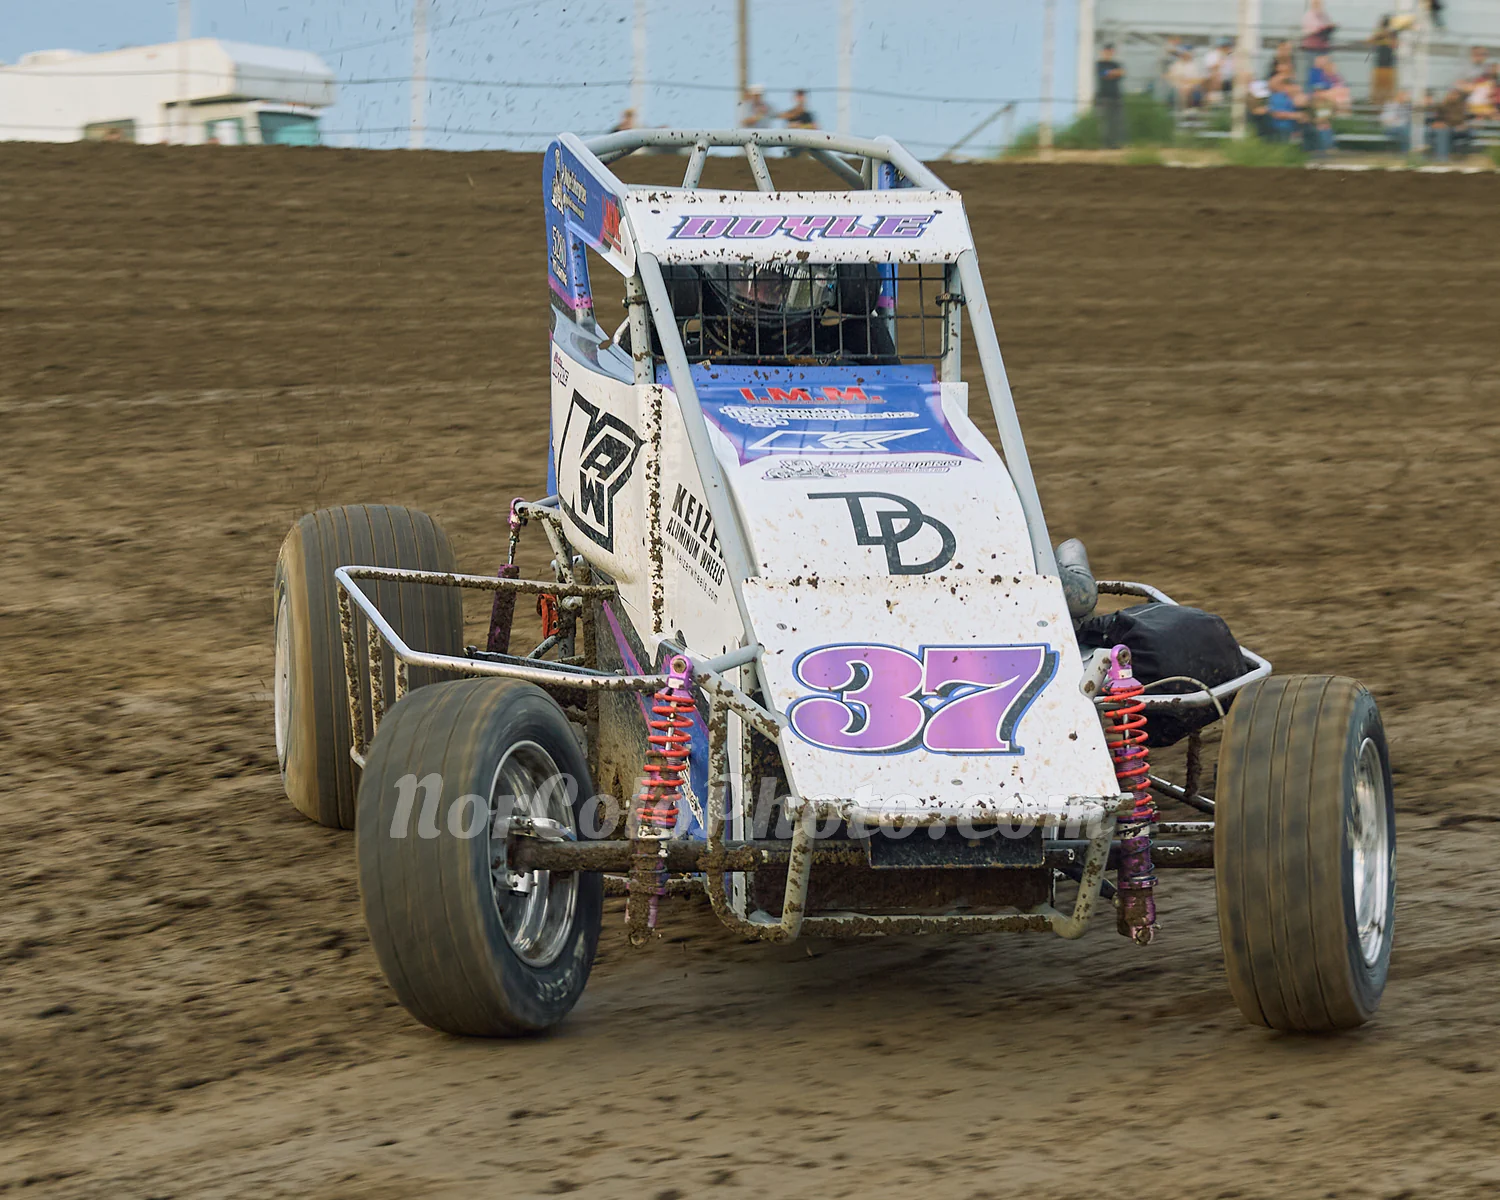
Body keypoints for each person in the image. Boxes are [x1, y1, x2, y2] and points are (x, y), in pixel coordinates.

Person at [1095, 43, 1126, 147]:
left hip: (1115, 95)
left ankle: (1115, 143)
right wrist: (1113, 73)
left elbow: (1121, 73)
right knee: (1104, 121)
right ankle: (1105, 143)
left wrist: (1111, 73)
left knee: (1116, 121)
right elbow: (1103, 74)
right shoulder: (1099, 64)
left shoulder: (1115, 64)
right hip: (1104, 95)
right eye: (1107, 51)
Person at [1367, 16, 1399, 104]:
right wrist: (1380, 35)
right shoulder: (1379, 33)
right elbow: (1370, 41)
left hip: (1389, 65)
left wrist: (1388, 35)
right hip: (1379, 65)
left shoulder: (1393, 33)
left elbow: (1395, 45)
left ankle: (1388, 102)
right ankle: (1377, 102)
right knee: (1378, 87)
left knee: (1388, 88)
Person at [1267, 75, 1304, 141]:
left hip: (1297, 128)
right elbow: (1276, 114)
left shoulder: (1295, 96)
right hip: (1283, 129)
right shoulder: (1277, 97)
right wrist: (1295, 115)